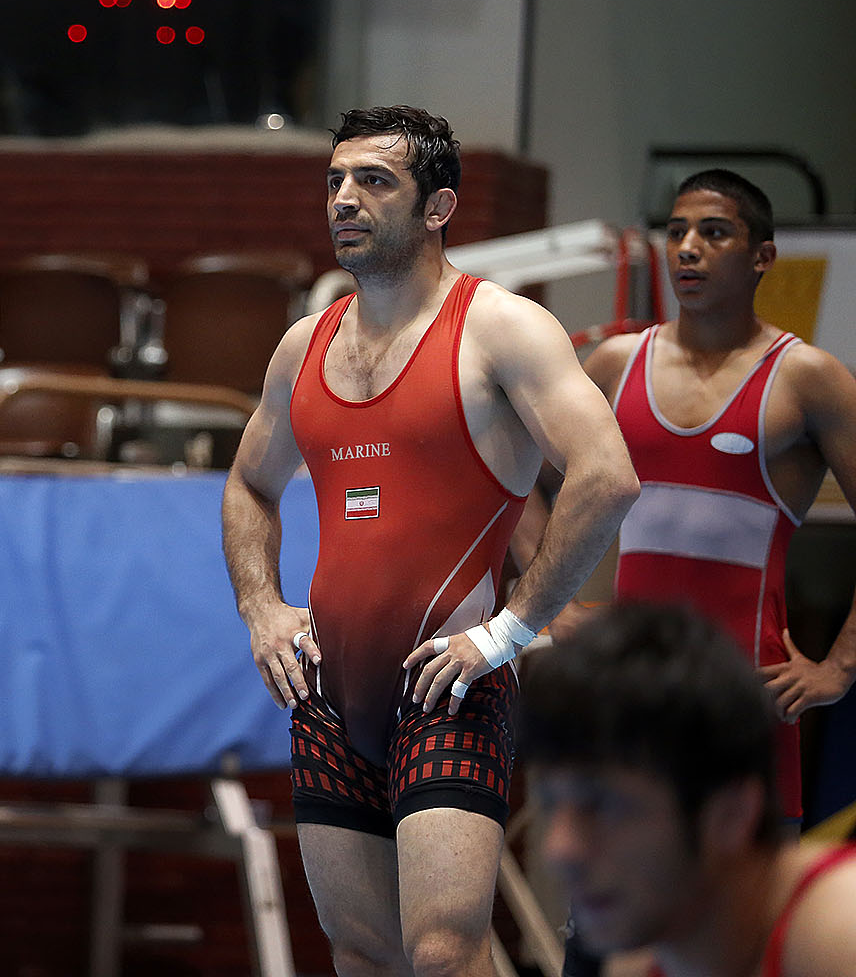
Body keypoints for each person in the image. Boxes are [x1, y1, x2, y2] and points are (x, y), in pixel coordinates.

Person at [221, 104, 639, 977]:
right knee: (361, 953)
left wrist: (511, 630)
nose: (344, 199)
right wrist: (262, 609)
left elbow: (607, 477)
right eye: (335, 180)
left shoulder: (501, 328)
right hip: (329, 690)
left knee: (445, 952)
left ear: (438, 207)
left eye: (374, 181)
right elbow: (249, 485)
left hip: (449, 685)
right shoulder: (304, 346)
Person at [539, 169, 856, 825]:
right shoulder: (616, 363)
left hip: (747, 697)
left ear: (762, 257)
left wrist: (839, 667)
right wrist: (549, 608)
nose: (687, 248)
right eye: (678, 232)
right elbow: (517, 483)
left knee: (748, 890)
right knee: (616, 883)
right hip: (629, 695)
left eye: (714, 233)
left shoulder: (808, 379)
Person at [521, 602, 856, 977]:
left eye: (602, 806)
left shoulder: (839, 930)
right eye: (551, 804)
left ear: (731, 813)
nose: (560, 849)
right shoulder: (638, 957)